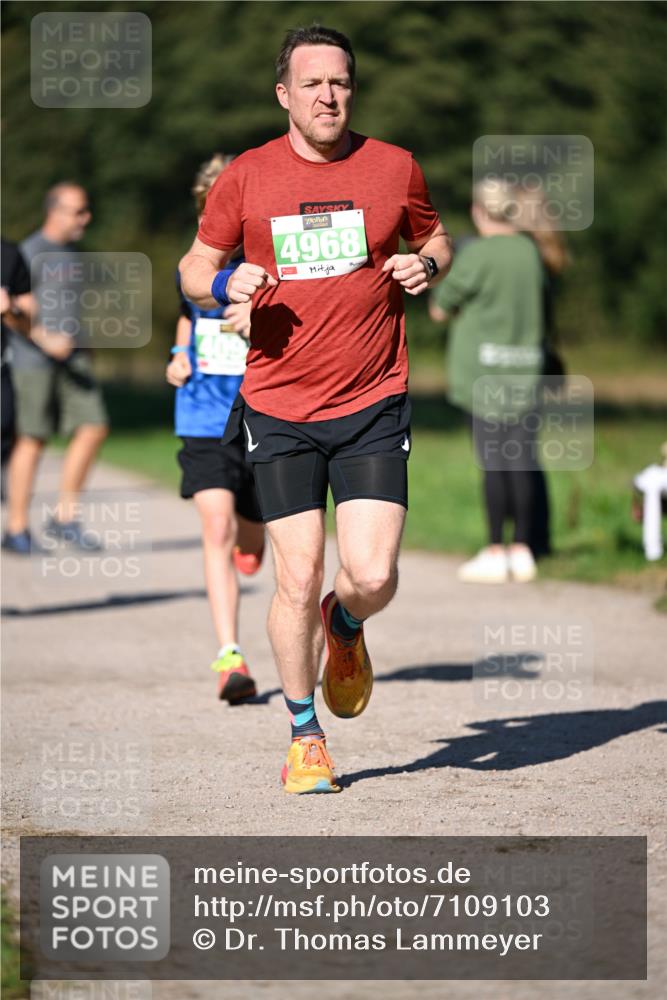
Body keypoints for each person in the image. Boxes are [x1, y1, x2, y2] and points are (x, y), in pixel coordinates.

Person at [179, 24, 451, 794]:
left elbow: (437, 238)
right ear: (284, 95)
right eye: (312, 84)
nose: (327, 96)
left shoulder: (393, 166)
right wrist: (219, 285)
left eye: (339, 82)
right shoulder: (246, 178)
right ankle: (304, 735)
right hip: (279, 404)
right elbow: (195, 264)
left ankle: (348, 622)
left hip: (371, 397)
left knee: (371, 573)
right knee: (294, 576)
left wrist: (423, 263)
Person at [166, 153, 265, 703]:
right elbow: (185, 313)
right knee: (215, 528)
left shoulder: (265, 260)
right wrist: (179, 354)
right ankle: (230, 655)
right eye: (212, 209)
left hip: (261, 413)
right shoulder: (194, 263)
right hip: (203, 415)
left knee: (250, 537)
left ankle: (251, 542)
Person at [429, 177, 553, 584]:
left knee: (493, 460)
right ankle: (523, 548)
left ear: (478, 211)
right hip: (525, 370)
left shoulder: (478, 254)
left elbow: (440, 309)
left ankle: (495, 547)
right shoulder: (530, 252)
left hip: (483, 374)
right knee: (520, 458)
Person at [3, 184, 109, 554]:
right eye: (78, 211)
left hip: (73, 356)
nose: (86, 217)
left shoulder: (72, 253)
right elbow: (11, 310)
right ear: (55, 211)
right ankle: (16, 529)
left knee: (94, 427)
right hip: (33, 358)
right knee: (32, 439)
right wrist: (44, 338)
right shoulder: (29, 251)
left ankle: (65, 518)